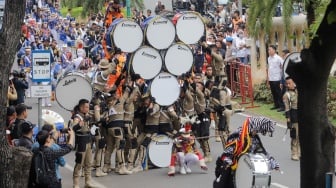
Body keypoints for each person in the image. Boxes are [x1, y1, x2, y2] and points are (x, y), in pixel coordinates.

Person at [213, 116, 280, 188]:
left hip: (244, 167)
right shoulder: (237, 136)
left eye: (257, 131)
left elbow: (262, 152)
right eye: (255, 130)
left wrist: (272, 162)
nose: (256, 132)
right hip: (232, 167)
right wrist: (227, 160)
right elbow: (227, 152)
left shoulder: (254, 138)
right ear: (251, 127)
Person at [71, 99, 98, 188]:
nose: (88, 108)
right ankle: (76, 183)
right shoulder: (77, 117)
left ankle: (88, 182)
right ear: (81, 107)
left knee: (88, 163)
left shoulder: (87, 115)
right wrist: (80, 124)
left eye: (88, 107)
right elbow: (72, 128)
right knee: (79, 163)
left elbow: (96, 120)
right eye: (86, 107)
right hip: (81, 142)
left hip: (88, 141)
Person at [283, 77, 300, 161]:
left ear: (294, 83)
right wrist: (288, 120)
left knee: (301, 136)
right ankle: (294, 153)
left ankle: (299, 152)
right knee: (295, 136)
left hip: (301, 116)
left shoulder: (298, 91)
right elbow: (287, 108)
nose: (288, 85)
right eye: (287, 83)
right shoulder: (287, 95)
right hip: (293, 117)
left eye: (290, 83)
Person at [267, 45, 285, 112]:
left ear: (274, 50)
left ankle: (282, 106)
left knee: (279, 93)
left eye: (270, 50)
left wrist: (281, 78)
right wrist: (268, 78)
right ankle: (276, 105)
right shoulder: (269, 58)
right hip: (271, 78)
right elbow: (269, 68)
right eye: (268, 50)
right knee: (273, 92)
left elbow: (283, 66)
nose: (269, 51)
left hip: (277, 78)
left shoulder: (278, 58)